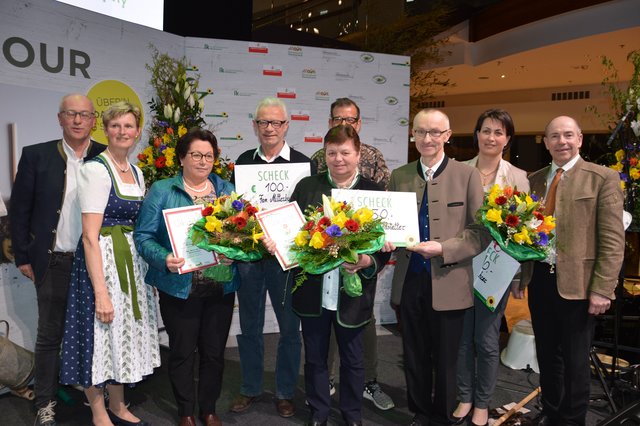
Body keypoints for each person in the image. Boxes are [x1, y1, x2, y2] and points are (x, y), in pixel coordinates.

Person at [517, 116, 624, 426]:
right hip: (541, 280)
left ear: (579, 139)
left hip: (580, 285)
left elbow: (613, 240)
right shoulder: (534, 180)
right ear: (546, 142)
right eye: (554, 136)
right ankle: (552, 414)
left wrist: (603, 288)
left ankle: (573, 421)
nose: (561, 141)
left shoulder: (602, 178)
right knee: (547, 356)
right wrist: (521, 277)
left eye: (567, 135)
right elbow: (525, 234)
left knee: (576, 362)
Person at [59, 101, 159, 426]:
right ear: (105, 130)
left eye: (128, 126)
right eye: (115, 126)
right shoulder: (95, 170)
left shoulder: (136, 172)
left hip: (130, 263)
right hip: (101, 262)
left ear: (137, 131)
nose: (122, 132)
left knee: (120, 334)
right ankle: (98, 411)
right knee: (97, 335)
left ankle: (117, 404)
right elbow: (90, 237)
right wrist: (100, 292)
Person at [10, 93, 105, 426]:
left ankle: (98, 398)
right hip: (54, 262)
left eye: (84, 114)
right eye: (71, 114)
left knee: (96, 333)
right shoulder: (36, 155)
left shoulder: (105, 156)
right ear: (60, 118)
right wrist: (23, 255)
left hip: (95, 265)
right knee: (50, 336)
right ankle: (45, 402)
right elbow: (19, 210)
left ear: (94, 120)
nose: (77, 120)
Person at [288, 124, 391, 426]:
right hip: (314, 289)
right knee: (315, 357)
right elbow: (290, 232)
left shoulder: (374, 193)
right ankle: (319, 412)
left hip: (353, 293)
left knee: (354, 359)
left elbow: (387, 246)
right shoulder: (307, 187)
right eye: (331, 153)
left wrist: (367, 260)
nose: (338, 159)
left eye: (345, 152)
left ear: (358, 154)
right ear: (325, 155)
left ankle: (352, 415)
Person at [388, 109, 486, 426]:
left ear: (447, 135)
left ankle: (442, 416)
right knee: (414, 353)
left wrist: (444, 248)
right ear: (413, 135)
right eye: (420, 132)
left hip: (450, 280)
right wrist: (385, 238)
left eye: (434, 132)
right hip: (409, 279)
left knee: (446, 358)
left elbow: (480, 232)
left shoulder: (467, 175)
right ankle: (420, 412)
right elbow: (389, 224)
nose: (427, 138)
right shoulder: (399, 175)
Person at [134, 128, 238, 426]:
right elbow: (143, 236)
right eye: (196, 155)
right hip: (180, 287)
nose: (203, 161)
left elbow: (242, 235)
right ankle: (186, 412)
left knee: (214, 353)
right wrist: (164, 258)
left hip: (220, 285)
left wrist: (235, 252)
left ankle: (208, 409)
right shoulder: (163, 190)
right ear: (181, 158)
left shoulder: (227, 191)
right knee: (182, 352)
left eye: (209, 156)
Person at [230, 97, 315, 418]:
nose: (269, 128)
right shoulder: (243, 162)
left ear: (286, 126)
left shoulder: (304, 164)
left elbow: (309, 215)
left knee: (290, 329)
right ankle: (250, 387)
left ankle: (284, 392)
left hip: (287, 259)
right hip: (250, 257)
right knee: (249, 326)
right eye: (263, 122)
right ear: (254, 126)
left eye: (276, 122)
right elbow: (235, 211)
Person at [312, 97, 394, 411]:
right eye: (337, 119)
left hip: (358, 270)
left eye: (349, 119)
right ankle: (327, 385)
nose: (338, 158)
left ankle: (367, 384)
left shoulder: (374, 162)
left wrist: (374, 253)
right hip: (322, 271)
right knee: (322, 340)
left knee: (358, 334)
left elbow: (386, 212)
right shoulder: (316, 163)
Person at [453, 109, 530, 426]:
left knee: (485, 341)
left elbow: (525, 231)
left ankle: (482, 403)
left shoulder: (519, 177)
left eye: (499, 132)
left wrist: (520, 276)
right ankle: (464, 397)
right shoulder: (459, 171)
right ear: (477, 135)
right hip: (460, 267)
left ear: (507, 139)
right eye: (486, 131)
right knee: (461, 339)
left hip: (496, 271)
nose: (491, 137)